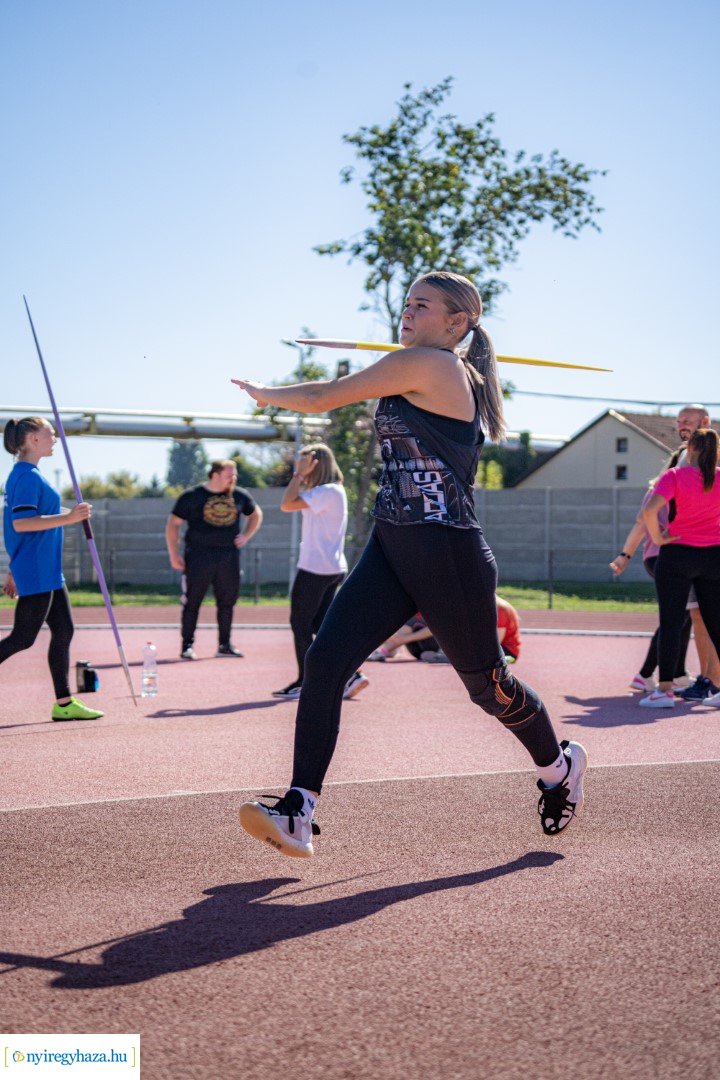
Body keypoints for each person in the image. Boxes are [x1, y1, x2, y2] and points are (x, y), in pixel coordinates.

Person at [232, 270, 587, 857]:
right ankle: (298, 808)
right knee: (325, 661)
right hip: (393, 544)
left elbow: (322, 398)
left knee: (489, 688)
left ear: (456, 322)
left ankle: (558, 767)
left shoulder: (435, 366)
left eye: (422, 306)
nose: (407, 313)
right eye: (407, 304)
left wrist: (267, 395)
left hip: (448, 553)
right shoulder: (418, 362)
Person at [1, 417, 104, 721]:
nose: (55, 438)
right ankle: (64, 702)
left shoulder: (30, 475)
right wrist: (69, 518)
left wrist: (74, 514)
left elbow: (38, 515)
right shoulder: (25, 476)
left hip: (46, 568)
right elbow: (22, 523)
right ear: (33, 438)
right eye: (50, 433)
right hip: (36, 568)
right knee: (23, 638)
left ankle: (64, 703)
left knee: (64, 630)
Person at [272, 443, 368, 701]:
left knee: (300, 624)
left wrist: (298, 476)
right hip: (330, 567)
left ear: (315, 464)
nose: (299, 466)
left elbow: (287, 504)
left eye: (304, 462)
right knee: (321, 627)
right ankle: (351, 675)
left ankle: (306, 681)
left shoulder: (326, 491)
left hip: (316, 568)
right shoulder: (331, 491)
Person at [640, 429, 720, 708]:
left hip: (678, 554)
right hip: (714, 557)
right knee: (716, 623)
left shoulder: (674, 476)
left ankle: (664, 692)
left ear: (691, 448)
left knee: (671, 623)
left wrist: (659, 537)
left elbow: (648, 512)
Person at [165, 459, 263, 660]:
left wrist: (246, 535)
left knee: (227, 602)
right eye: (229, 475)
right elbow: (173, 524)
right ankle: (187, 646)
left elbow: (255, 514)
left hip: (228, 556)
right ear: (215, 475)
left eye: (234, 475)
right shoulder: (192, 496)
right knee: (192, 601)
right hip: (198, 556)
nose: (233, 479)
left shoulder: (239, 495)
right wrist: (174, 554)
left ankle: (224, 645)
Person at [369, 595, 522, 664]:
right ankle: (386, 650)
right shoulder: (471, 606)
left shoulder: (499, 608)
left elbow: (493, 644)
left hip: (504, 651)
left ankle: (452, 657)